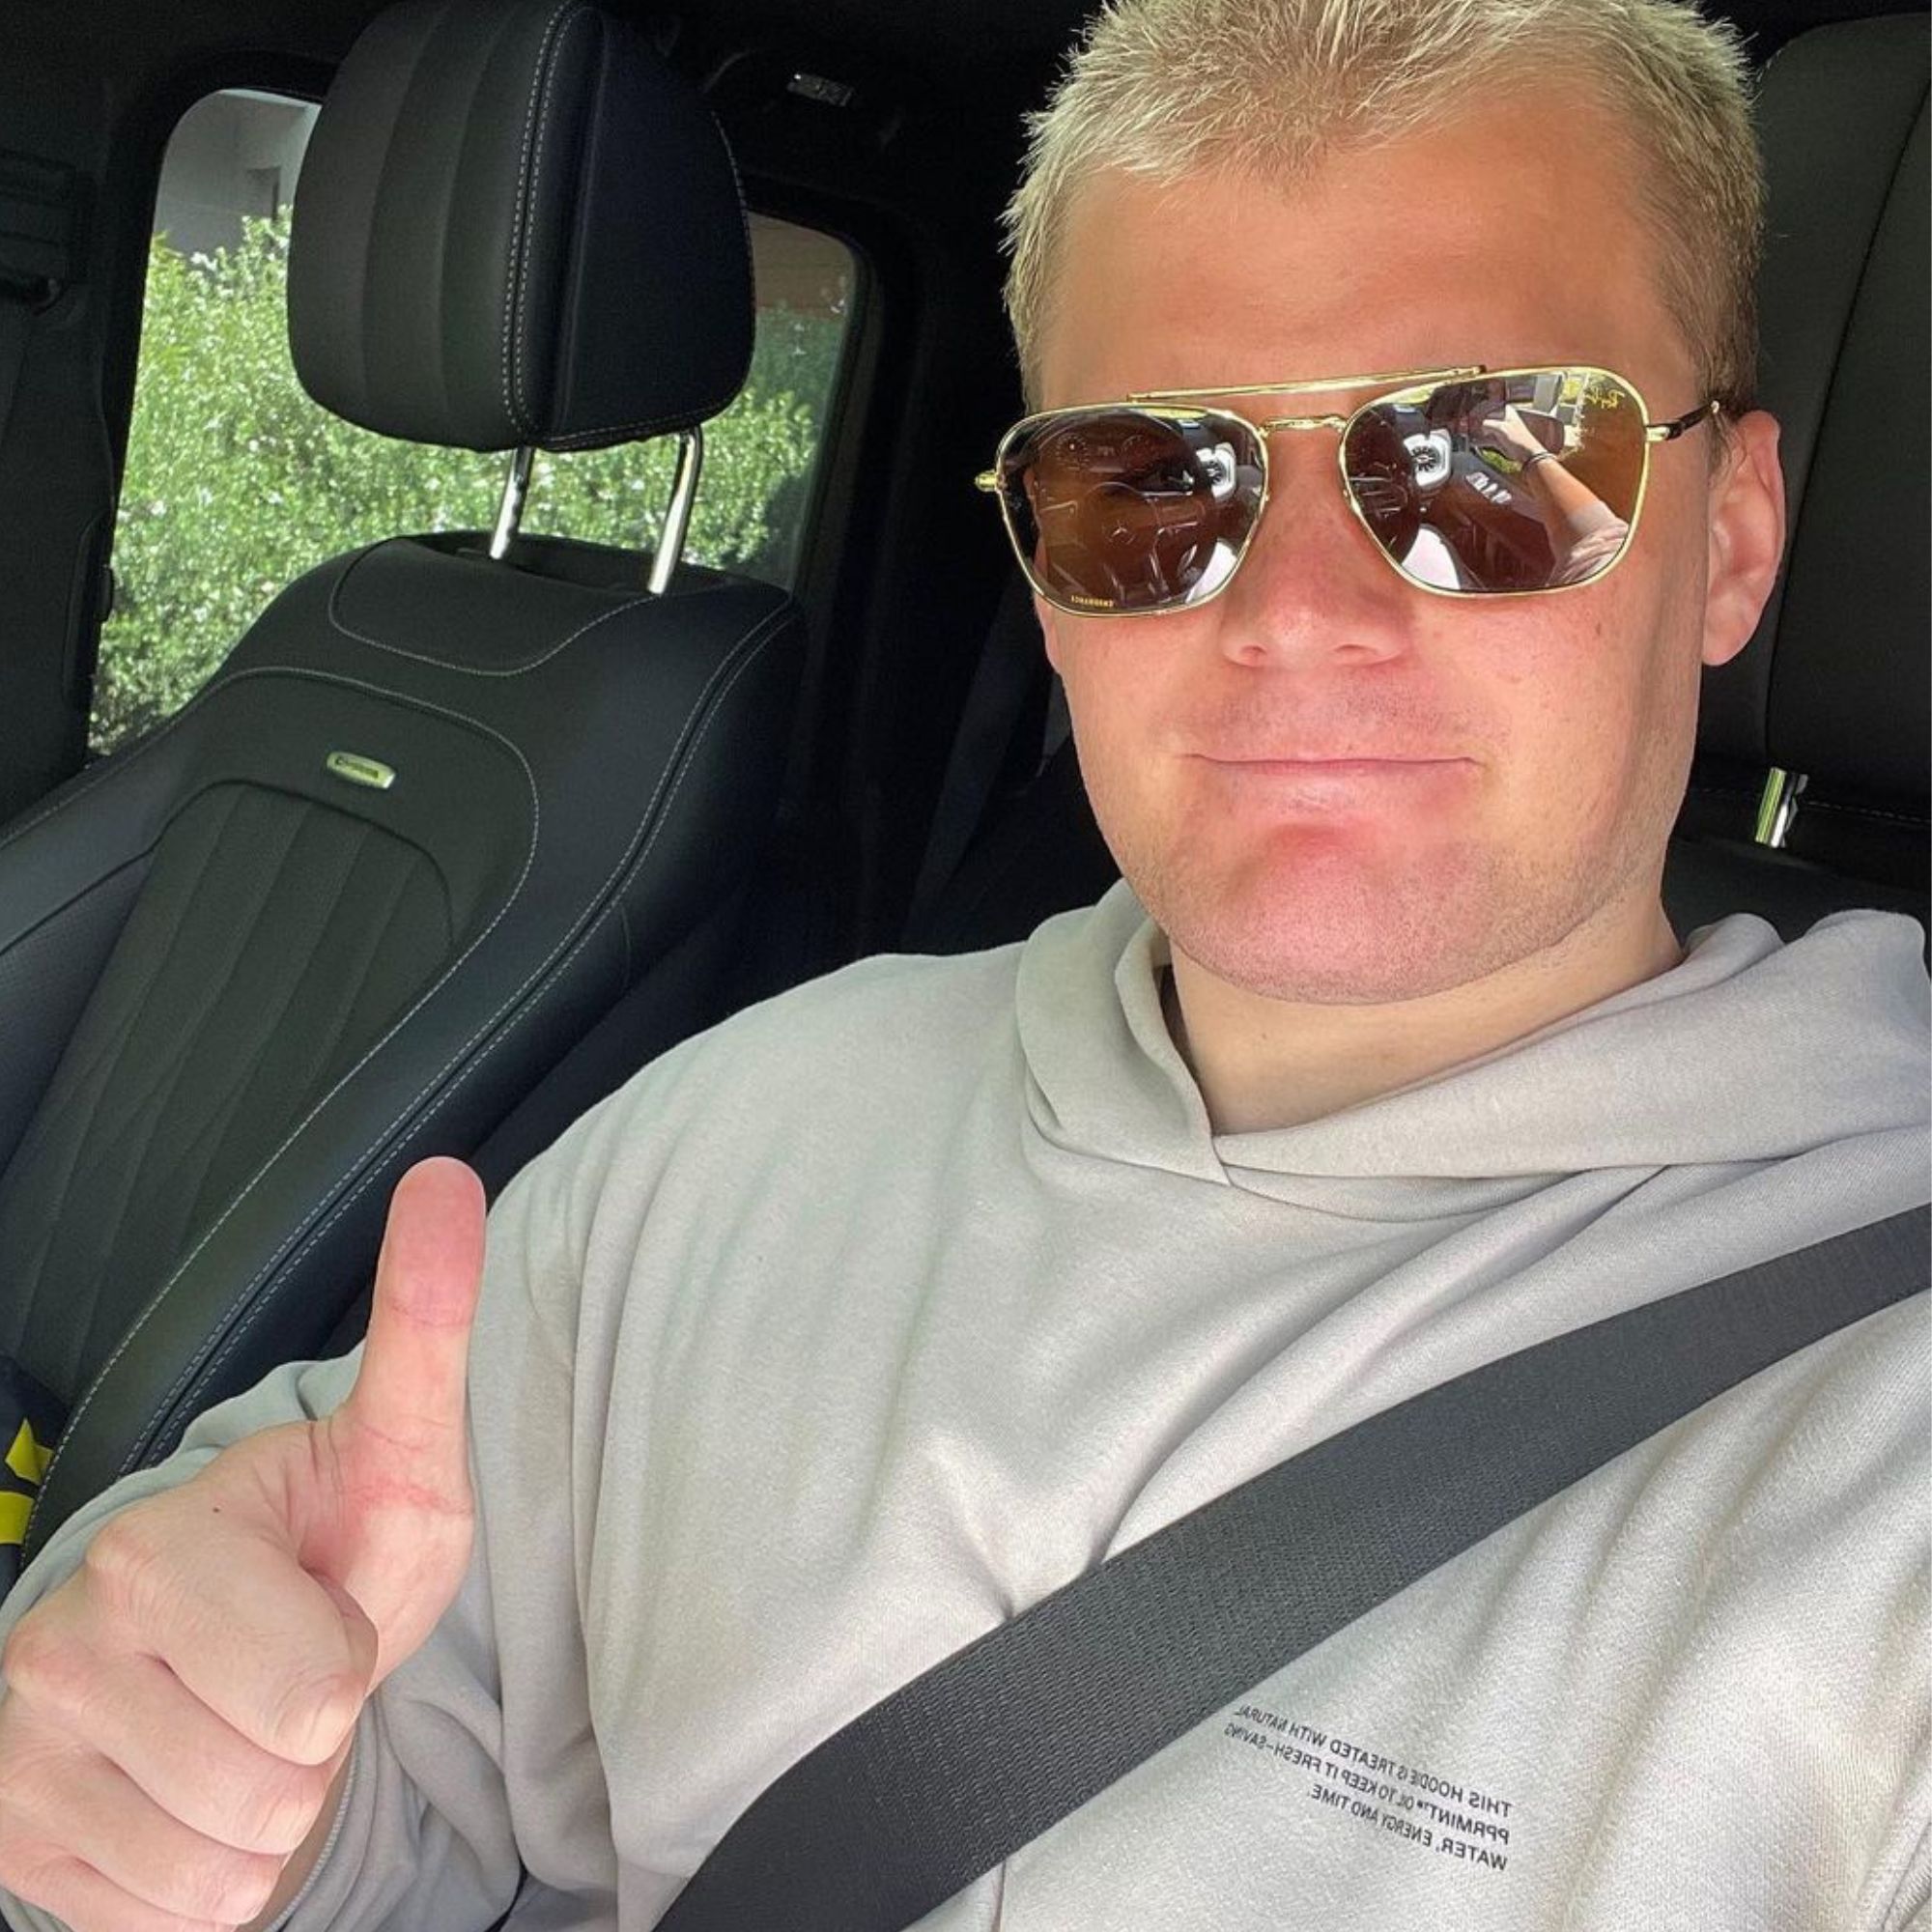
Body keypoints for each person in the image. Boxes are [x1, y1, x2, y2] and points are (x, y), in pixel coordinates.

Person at [0, 0, 1925, 1926]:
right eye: (1150, 484)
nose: (1297, 612)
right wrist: (221, 1803)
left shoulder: (1874, 1454)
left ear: (1732, 538)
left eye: (1489, 463)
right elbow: (375, 1793)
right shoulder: (737, 1135)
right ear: (1047, 577)